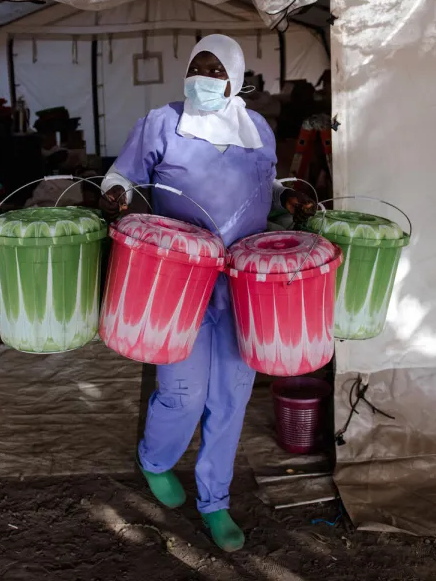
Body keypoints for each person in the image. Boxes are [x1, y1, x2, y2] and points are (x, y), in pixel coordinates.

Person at [100, 34, 315, 552]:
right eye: (197, 67)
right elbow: (121, 176)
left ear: (235, 79)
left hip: (244, 284)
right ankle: (156, 460)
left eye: (216, 70)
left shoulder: (256, 128)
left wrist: (288, 197)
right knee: (183, 392)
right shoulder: (162, 123)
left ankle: (215, 500)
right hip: (179, 281)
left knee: (231, 396)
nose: (204, 79)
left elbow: (267, 184)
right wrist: (116, 195)